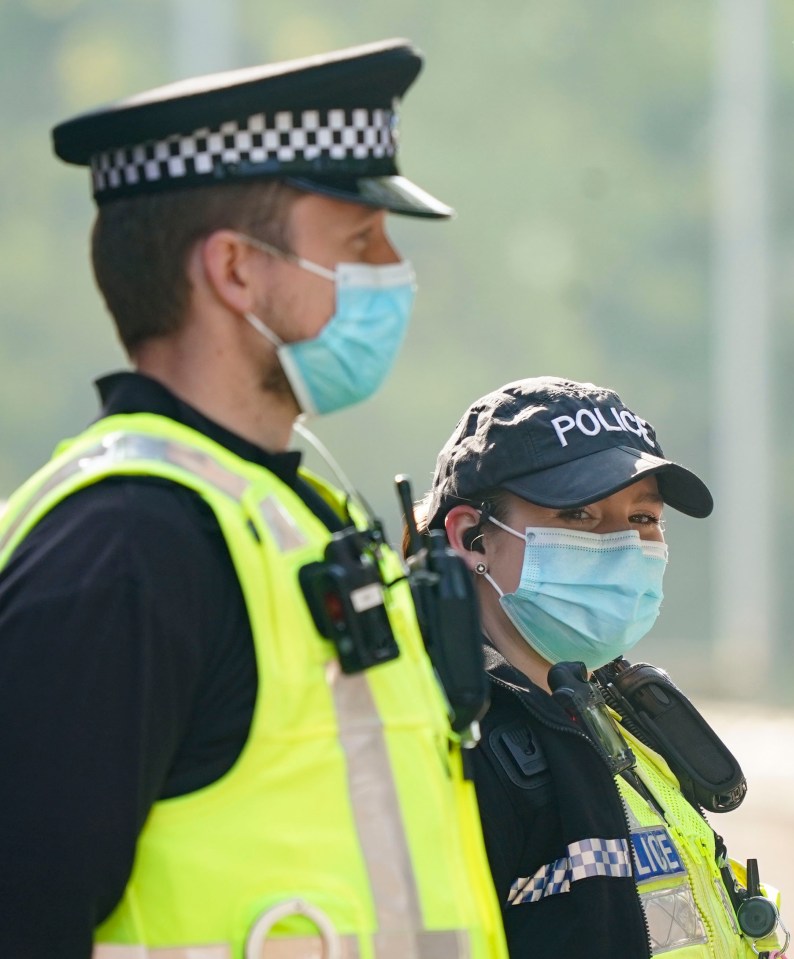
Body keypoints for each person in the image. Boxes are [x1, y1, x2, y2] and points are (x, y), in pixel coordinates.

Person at [0, 41, 508, 959]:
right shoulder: (127, 548)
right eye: (360, 241)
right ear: (236, 270)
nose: (396, 270)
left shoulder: (290, 515)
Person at [412, 376, 788, 959]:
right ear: (472, 538)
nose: (622, 544)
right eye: (580, 514)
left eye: (643, 518)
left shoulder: (615, 712)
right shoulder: (442, 740)